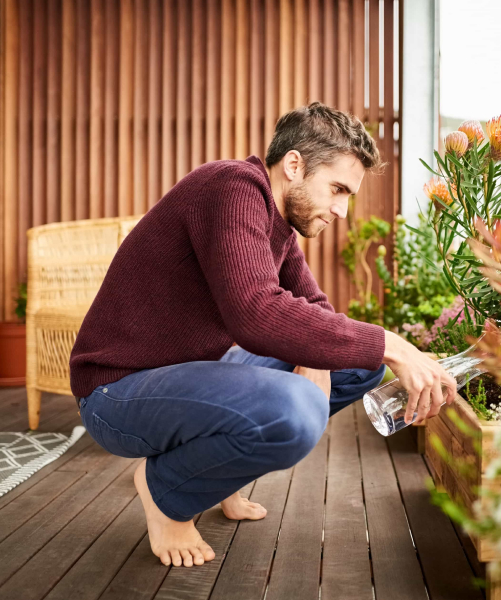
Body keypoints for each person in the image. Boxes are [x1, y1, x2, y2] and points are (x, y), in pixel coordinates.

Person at [69, 102, 457, 569]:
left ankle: (216, 474)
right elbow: (254, 311)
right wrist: (393, 344)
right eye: (337, 188)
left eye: (347, 195)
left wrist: (321, 353)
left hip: (190, 376)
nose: (341, 209)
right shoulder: (231, 186)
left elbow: (314, 310)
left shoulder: (279, 226)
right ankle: (166, 492)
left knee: (356, 364)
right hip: (118, 391)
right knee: (295, 411)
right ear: (294, 165)